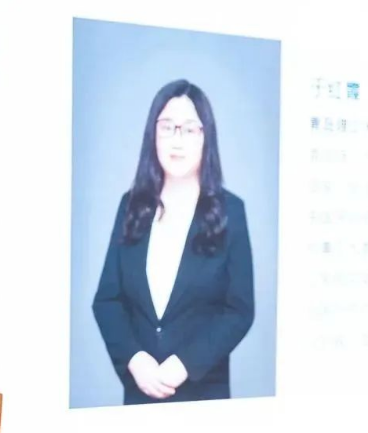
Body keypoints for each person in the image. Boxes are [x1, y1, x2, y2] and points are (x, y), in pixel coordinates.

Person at [93, 79, 254, 405]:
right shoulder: (131, 206)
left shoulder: (230, 211)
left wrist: (185, 365)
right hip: (140, 394)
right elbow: (107, 300)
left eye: (190, 129)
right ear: (152, 134)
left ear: (206, 137)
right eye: (167, 127)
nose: (177, 140)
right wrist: (136, 360)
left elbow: (239, 310)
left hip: (202, 396)